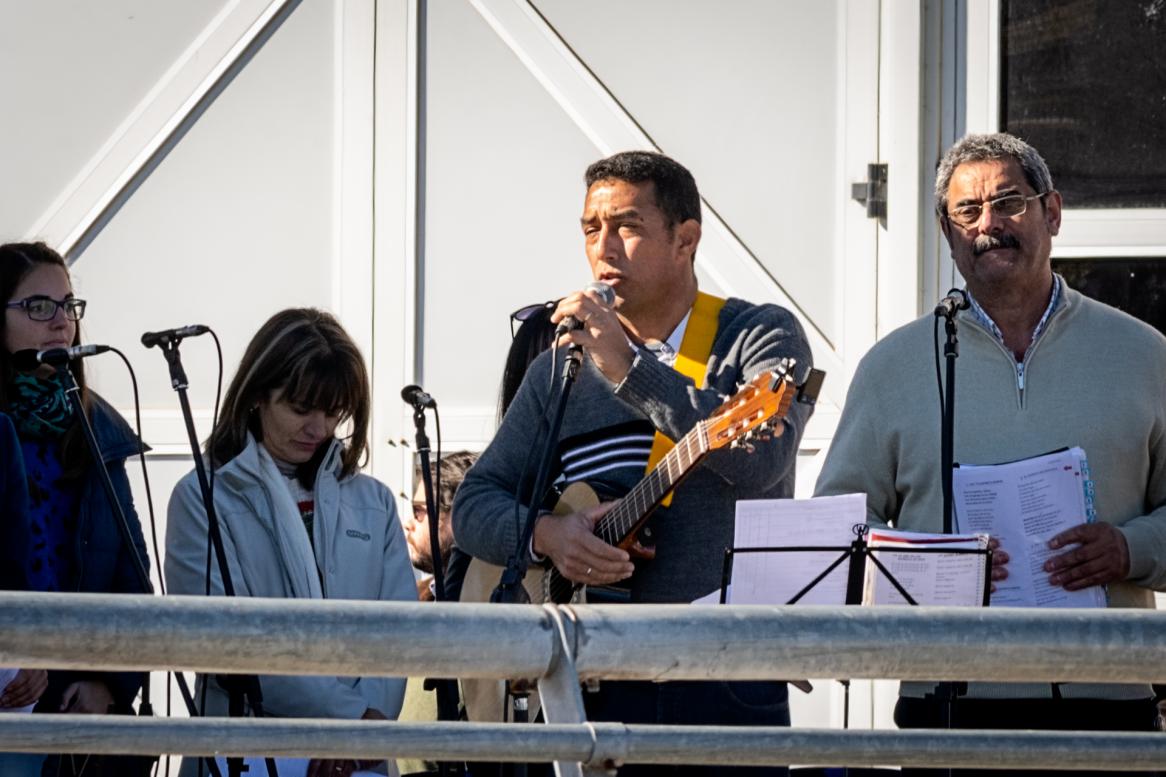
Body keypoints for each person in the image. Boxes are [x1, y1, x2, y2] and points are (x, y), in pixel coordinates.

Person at [815, 132, 1166, 777]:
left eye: (1009, 203)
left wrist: (1129, 549)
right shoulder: (893, 366)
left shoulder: (1145, 354)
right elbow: (835, 531)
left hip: (1109, 699)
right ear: (947, 236)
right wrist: (933, 564)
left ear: (1052, 212)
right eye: (967, 212)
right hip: (947, 705)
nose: (989, 225)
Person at [453, 150, 813, 776]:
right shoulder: (559, 368)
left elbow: (762, 460)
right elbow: (475, 504)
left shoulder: (757, 336)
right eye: (591, 229)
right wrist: (549, 536)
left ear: (686, 239)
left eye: (627, 226)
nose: (603, 248)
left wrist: (630, 369)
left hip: (723, 678)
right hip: (589, 683)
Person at [165, 307, 416, 777]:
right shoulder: (201, 497)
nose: (318, 428)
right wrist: (352, 721)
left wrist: (364, 731)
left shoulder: (375, 501)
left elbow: (399, 636)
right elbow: (225, 642)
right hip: (245, 755)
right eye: (301, 408)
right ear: (257, 395)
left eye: (333, 410)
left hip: (362, 757)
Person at [0, 241, 153, 777]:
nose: (61, 321)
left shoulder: (97, 431)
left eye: (69, 305)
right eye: (39, 307)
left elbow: (131, 579)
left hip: (82, 709)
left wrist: (107, 683)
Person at [405, 449, 478, 601]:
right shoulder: (417, 595)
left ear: (458, 513)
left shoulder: (493, 599)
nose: (408, 524)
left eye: (418, 510)